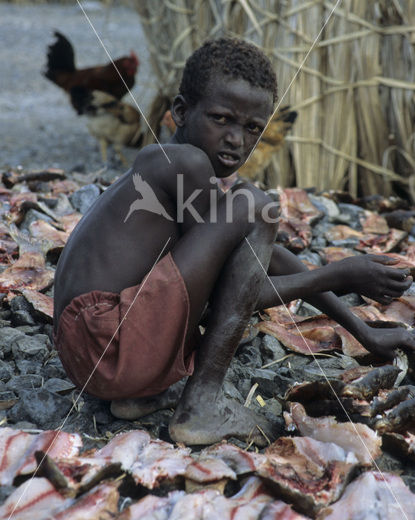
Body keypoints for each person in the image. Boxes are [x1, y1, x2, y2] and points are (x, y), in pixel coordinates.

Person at [53, 37, 415, 447]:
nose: (236, 140)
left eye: (252, 128)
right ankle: (201, 405)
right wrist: (341, 274)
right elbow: (243, 291)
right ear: (180, 112)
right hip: (107, 341)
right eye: (221, 119)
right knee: (256, 205)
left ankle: (142, 395)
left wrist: (362, 329)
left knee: (251, 210)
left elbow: (260, 261)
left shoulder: (176, 171)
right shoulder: (183, 164)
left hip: (92, 355)